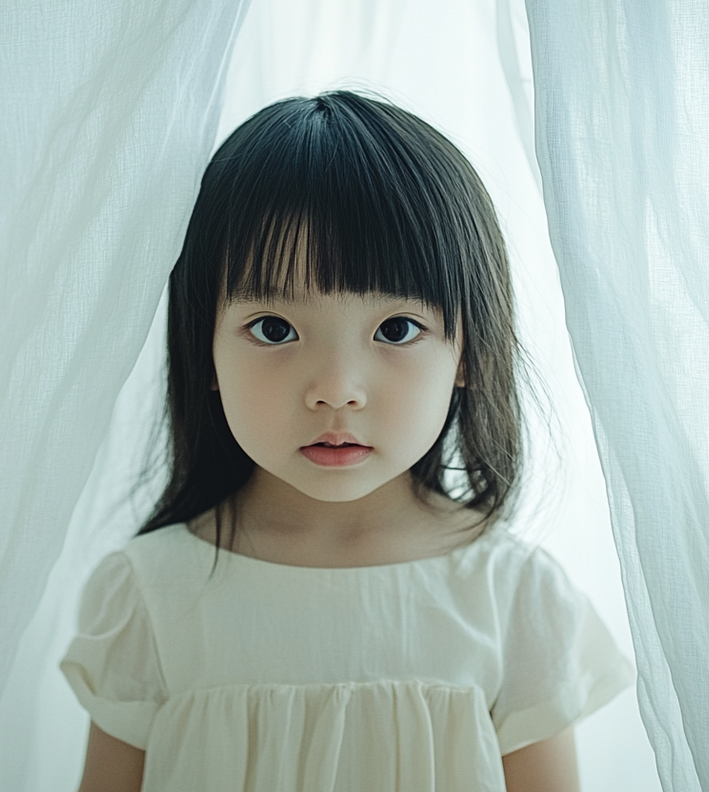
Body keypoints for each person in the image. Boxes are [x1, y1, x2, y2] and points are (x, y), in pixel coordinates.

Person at [60, 91, 633, 792]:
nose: (336, 389)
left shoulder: (513, 599)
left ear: (470, 353)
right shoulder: (150, 596)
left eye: (395, 330)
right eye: (274, 328)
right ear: (203, 349)